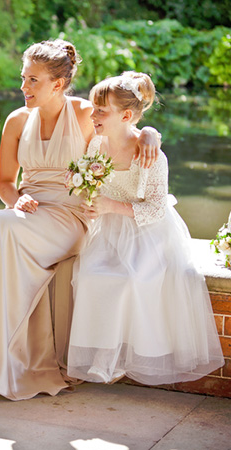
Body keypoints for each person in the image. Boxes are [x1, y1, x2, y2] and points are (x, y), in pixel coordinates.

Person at [0, 39, 161, 400]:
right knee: (0, 222)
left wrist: (152, 133)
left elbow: (128, 127)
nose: (23, 87)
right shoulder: (17, 120)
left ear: (57, 84)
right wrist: (17, 198)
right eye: (23, 78)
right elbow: (5, 183)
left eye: (32, 80)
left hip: (71, 216)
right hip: (27, 213)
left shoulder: (87, 113)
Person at [66, 71, 224, 385]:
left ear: (126, 115)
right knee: (88, 274)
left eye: (101, 110)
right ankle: (103, 350)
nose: (93, 114)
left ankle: (116, 356)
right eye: (94, 107)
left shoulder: (149, 154)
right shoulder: (97, 144)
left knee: (131, 279)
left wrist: (111, 206)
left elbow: (155, 207)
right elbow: (94, 187)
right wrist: (91, 201)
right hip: (110, 231)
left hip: (148, 234)